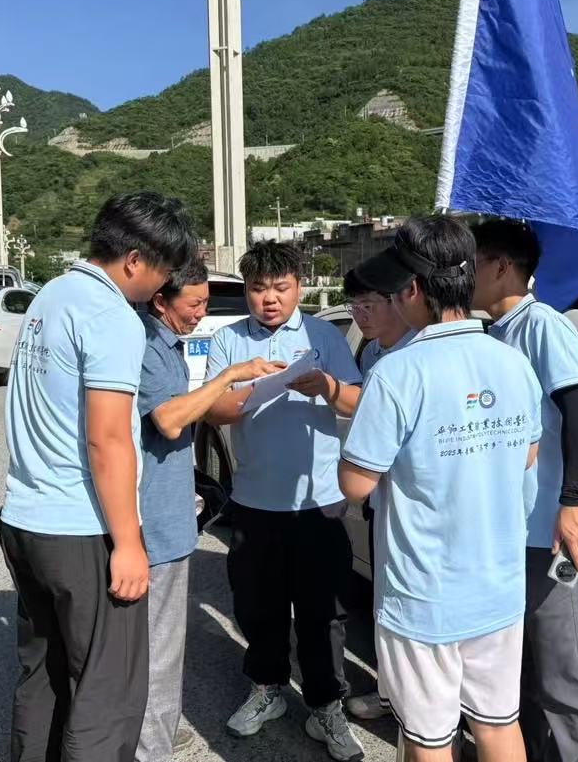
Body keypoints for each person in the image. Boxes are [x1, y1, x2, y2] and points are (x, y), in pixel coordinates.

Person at [0, 192, 195, 762]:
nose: (162, 286)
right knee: (108, 696)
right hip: (80, 530)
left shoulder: (52, 295)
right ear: (134, 260)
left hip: (25, 520)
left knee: (46, 676)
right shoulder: (112, 317)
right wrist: (129, 544)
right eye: (162, 271)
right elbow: (108, 439)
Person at [338, 215, 542, 762]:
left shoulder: (397, 372)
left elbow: (355, 482)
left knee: (429, 740)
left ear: (412, 290)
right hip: (498, 586)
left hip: (425, 595)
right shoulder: (512, 361)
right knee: (499, 725)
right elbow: (527, 455)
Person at [204, 240, 365, 762]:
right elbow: (214, 411)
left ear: (298, 286)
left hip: (319, 502)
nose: (269, 299)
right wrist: (252, 384)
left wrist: (328, 386)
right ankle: (267, 687)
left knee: (324, 613)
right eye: (258, 289)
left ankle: (326, 706)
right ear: (247, 291)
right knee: (258, 606)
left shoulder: (323, 335)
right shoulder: (228, 340)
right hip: (254, 501)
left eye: (280, 288)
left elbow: (360, 402)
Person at [135, 258, 282, 762]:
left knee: (157, 642)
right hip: (155, 522)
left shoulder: (166, 344)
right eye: (195, 303)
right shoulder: (149, 346)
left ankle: (155, 727)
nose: (202, 313)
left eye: (206, 303)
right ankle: (152, 742)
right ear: (161, 300)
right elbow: (170, 419)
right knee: (158, 645)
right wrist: (232, 376)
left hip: (166, 513)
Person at [471, 218, 578, 762]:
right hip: (511, 532)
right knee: (523, 672)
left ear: (501, 267)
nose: (464, 275)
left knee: (567, 673)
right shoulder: (493, 334)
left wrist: (572, 503)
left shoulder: (543, 325)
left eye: (472, 263)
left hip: (552, 532)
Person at [339, 265, 414, 723]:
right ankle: (390, 693)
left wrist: (332, 391)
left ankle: (416, 708)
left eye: (368, 304)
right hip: (380, 499)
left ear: (399, 300)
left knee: (410, 611)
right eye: (355, 306)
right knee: (384, 602)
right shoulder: (371, 353)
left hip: (411, 501)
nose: (360, 314)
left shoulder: (413, 355)